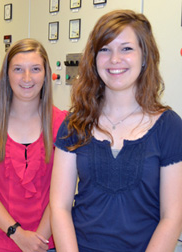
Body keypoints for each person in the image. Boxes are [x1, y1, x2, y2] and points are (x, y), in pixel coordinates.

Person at [50, 9, 182, 252]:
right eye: (105, 49)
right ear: (94, 58)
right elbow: (59, 207)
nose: (114, 59)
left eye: (126, 48)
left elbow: (172, 216)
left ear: (145, 57)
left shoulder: (169, 126)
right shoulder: (75, 123)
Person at [0, 38, 68, 252]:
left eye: (35, 69)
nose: (26, 78)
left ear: (46, 74)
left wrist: (38, 240)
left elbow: (62, 193)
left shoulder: (62, 124)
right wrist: (18, 234)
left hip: (49, 242)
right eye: (18, 69)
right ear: (6, 75)